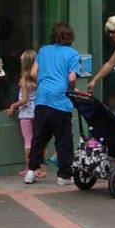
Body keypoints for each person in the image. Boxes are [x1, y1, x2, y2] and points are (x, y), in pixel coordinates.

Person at [23, 22, 81, 185]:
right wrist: (72, 89)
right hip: (60, 100)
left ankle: (31, 172)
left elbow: (33, 73)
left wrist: (44, 81)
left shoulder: (43, 50)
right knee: (63, 140)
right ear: (70, 37)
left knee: (39, 138)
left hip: (42, 98)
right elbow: (72, 78)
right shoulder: (72, 54)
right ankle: (64, 176)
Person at [4, 48, 49, 178]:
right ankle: (42, 169)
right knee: (40, 141)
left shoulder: (24, 80)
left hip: (26, 114)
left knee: (28, 142)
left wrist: (13, 106)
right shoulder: (40, 77)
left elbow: (24, 100)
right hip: (38, 111)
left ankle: (29, 169)